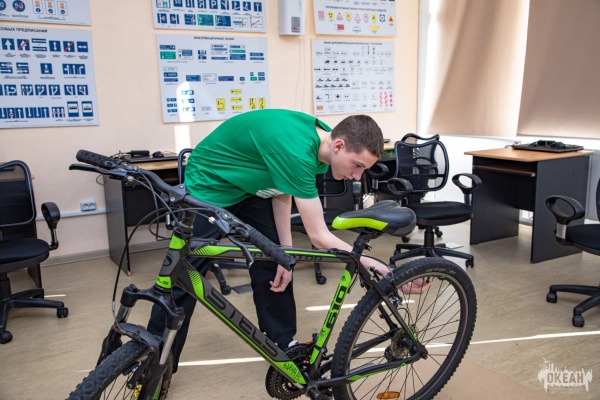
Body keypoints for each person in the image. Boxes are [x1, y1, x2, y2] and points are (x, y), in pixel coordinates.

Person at [148, 108, 391, 373]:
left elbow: (282, 189)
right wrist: (372, 263)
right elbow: (319, 236)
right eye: (357, 166)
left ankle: (283, 344)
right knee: (182, 272)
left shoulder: (323, 142)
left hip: (253, 189)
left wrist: (283, 253)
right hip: (211, 185)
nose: (357, 177)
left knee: (275, 262)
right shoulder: (297, 151)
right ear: (339, 146)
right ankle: (154, 359)